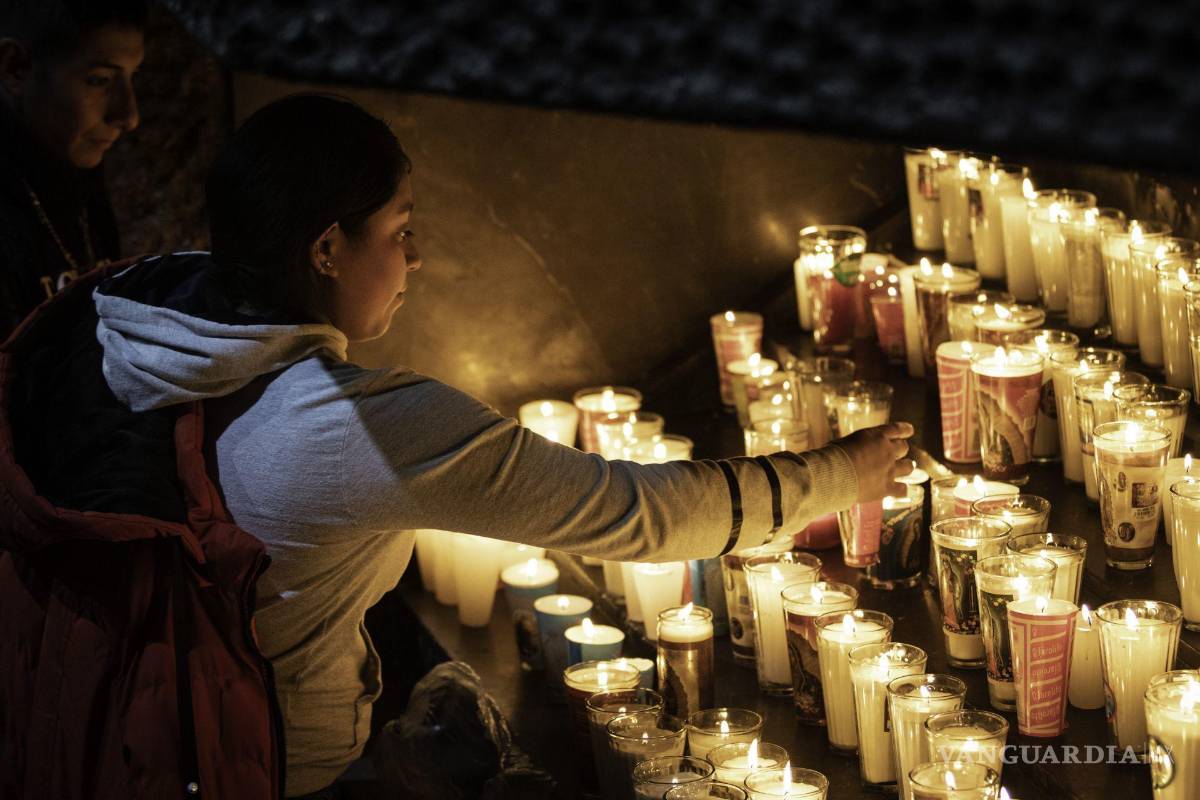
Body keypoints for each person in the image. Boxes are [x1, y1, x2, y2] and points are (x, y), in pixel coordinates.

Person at [0, 94, 913, 799]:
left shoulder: (141, 318)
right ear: (325, 248)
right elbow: (633, 512)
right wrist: (844, 471)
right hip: (258, 764)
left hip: (107, 735)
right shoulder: (350, 425)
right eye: (400, 230)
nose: (420, 257)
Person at [0, 0, 145, 338]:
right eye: (100, 80)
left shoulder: (74, 166)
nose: (129, 116)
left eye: (132, 77)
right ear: (15, 68)